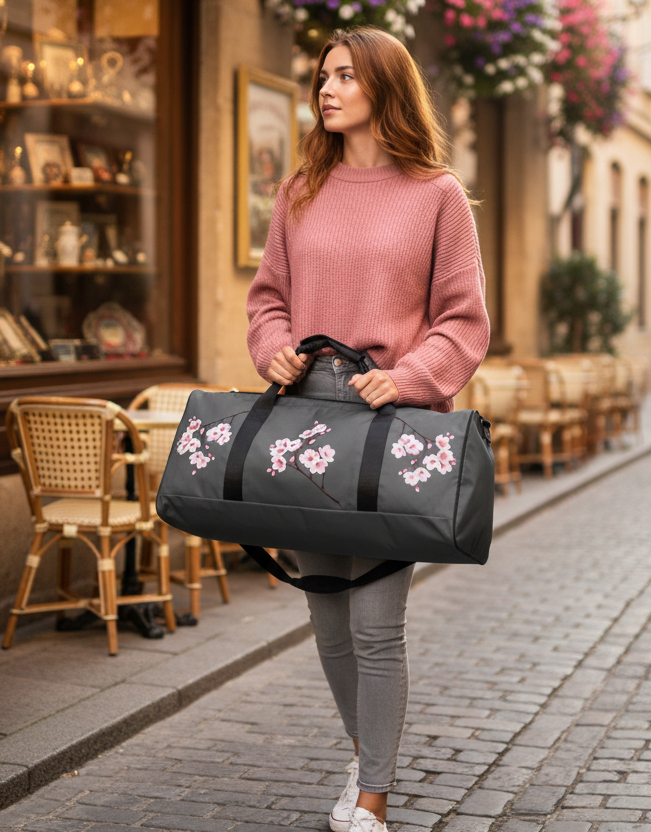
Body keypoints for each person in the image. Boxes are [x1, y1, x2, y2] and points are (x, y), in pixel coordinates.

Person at [246, 26, 490, 832]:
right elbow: (268, 297)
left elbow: (463, 321)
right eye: (323, 76)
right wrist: (273, 349)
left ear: (386, 87)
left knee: (377, 623)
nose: (326, 88)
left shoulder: (437, 196)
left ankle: (374, 799)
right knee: (326, 614)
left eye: (345, 75)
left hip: (393, 418)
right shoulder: (299, 192)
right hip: (305, 418)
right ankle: (365, 756)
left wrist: (411, 376)